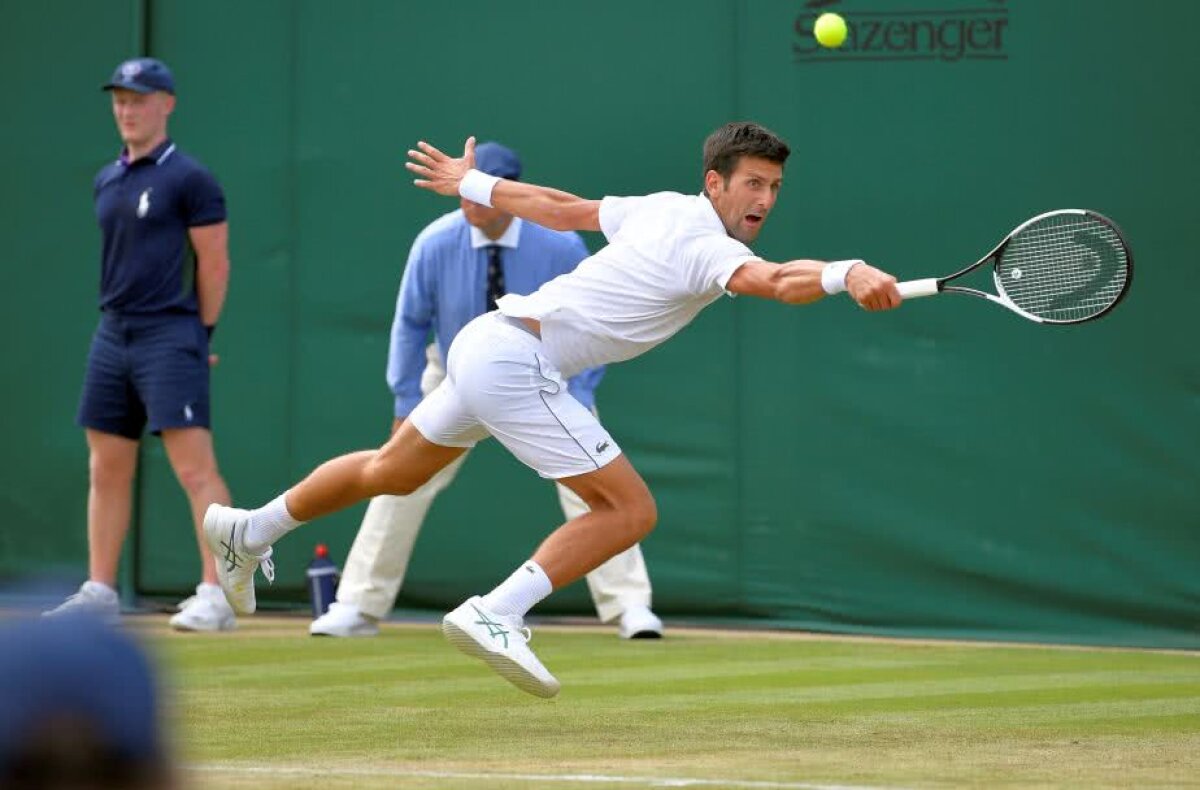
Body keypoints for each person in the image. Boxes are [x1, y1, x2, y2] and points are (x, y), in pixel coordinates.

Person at [204, 122, 902, 697]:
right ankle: (495, 612)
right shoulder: (701, 243)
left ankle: (250, 529)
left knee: (392, 471)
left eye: (774, 187)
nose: (764, 200)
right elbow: (777, 281)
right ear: (715, 181)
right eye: (752, 183)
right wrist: (847, 273)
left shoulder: (661, 208)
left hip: (486, 344)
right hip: (516, 362)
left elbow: (560, 208)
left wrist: (473, 183)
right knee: (631, 512)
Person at [309, 142, 663, 640]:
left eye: (478, 193)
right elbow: (411, 324)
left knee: (598, 494)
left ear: (509, 193)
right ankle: (358, 604)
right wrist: (405, 400)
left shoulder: (561, 246)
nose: (467, 203)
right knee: (399, 480)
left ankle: (629, 607)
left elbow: (592, 318)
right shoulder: (434, 242)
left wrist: (579, 392)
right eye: (462, 193)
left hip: (548, 376)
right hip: (453, 374)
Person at [44, 57, 236, 632]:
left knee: (196, 470)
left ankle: (217, 592)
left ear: (166, 104)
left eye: (139, 99)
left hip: (170, 333)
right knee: (105, 466)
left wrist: (199, 337)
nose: (127, 110)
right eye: (120, 100)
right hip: (113, 334)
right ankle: (100, 590)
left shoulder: (191, 179)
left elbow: (215, 263)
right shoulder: (108, 178)